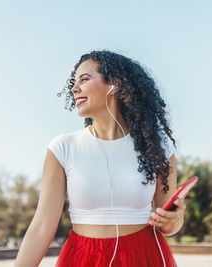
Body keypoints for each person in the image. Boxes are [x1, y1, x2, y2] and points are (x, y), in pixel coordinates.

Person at [14, 50, 186, 267]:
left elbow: (167, 225)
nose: (74, 88)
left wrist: (176, 219)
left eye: (84, 79)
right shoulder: (62, 148)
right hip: (82, 258)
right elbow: (42, 224)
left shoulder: (157, 145)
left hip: (144, 257)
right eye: (74, 82)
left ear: (115, 84)